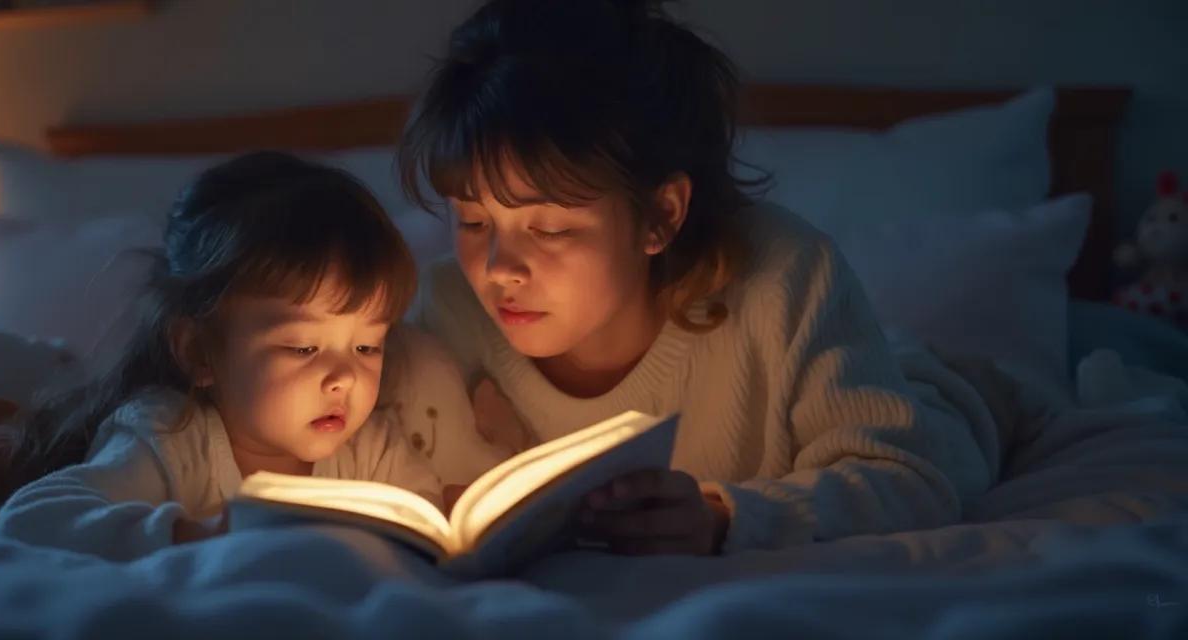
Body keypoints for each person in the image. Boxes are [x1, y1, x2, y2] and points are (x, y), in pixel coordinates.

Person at [399, 0, 998, 555]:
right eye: (474, 220)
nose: (499, 268)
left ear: (660, 215)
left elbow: (910, 479)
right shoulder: (453, 308)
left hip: (935, 402)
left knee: (966, 408)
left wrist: (720, 517)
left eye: (551, 230)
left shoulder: (783, 276)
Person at [0, 151, 443, 560]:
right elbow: (30, 519)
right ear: (199, 351)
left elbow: (429, 528)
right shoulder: (171, 436)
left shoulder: (372, 449)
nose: (344, 377)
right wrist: (199, 536)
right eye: (304, 347)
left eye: (367, 346)